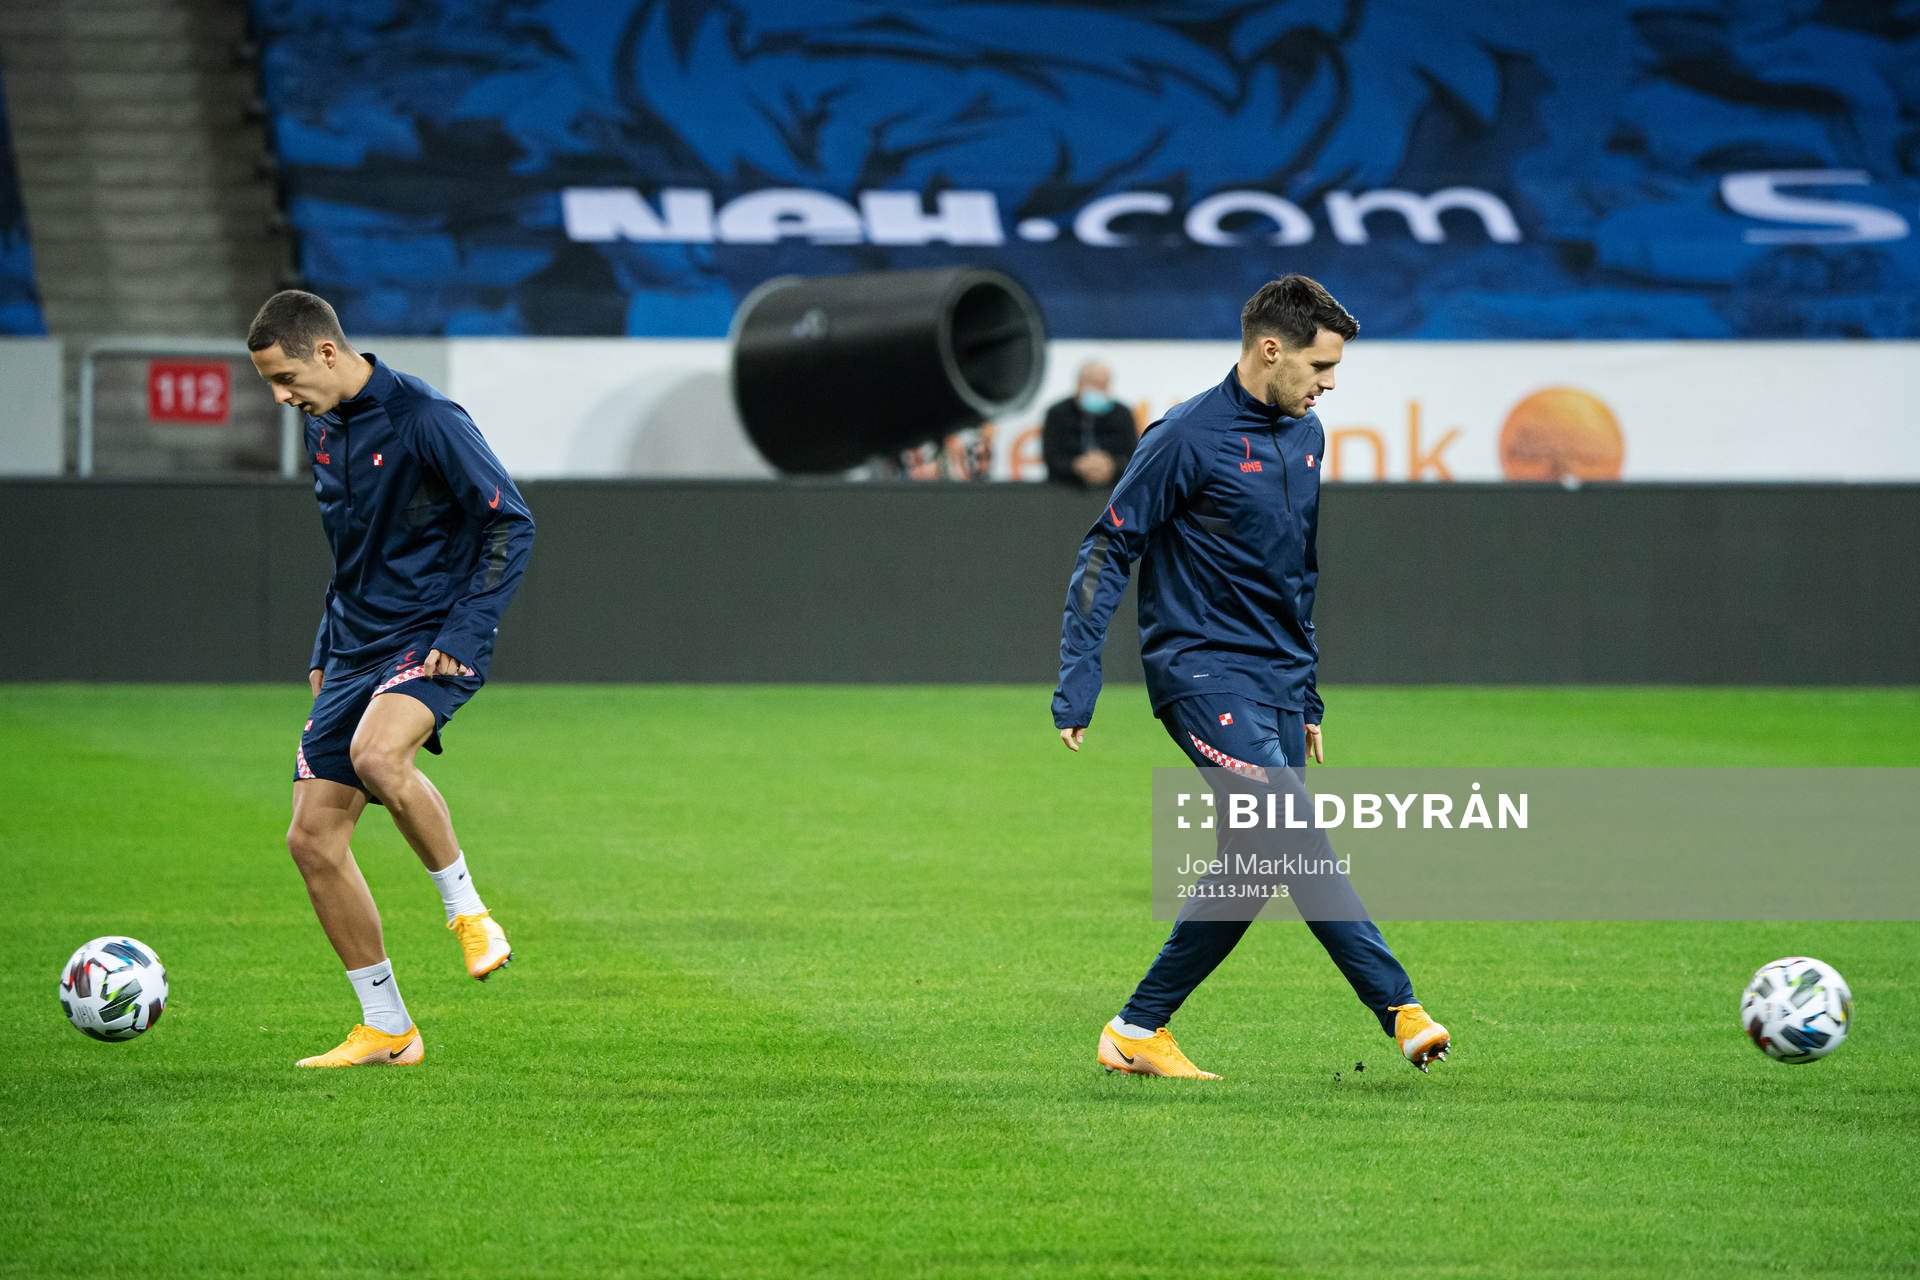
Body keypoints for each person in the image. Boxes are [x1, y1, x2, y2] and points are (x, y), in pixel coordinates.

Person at [1050, 275, 1449, 1079]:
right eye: (1320, 365)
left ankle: (1136, 1029)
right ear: (1271, 350)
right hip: (1201, 674)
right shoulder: (1185, 437)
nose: (1330, 383)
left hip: (1276, 682)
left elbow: (1296, 573)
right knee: (1293, 835)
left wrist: (1307, 691)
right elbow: (1109, 547)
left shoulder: (1308, 435)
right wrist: (1078, 672)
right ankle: (1399, 1007)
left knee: (1258, 862)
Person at [247, 290, 536, 1069]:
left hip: (432, 636)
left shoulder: (425, 417)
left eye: (284, 378)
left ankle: (469, 914)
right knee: (312, 840)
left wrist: (466, 630)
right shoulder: (322, 426)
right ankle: (388, 1028)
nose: (280, 397)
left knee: (378, 756)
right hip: (353, 645)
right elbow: (353, 550)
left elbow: (509, 520)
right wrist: (324, 643)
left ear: (326, 352)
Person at [1042, 361, 1138, 487]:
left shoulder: (1122, 414)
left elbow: (1133, 458)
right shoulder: (1057, 413)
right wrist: (1077, 466)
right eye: (1094, 384)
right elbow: (1051, 459)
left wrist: (1111, 466)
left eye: (1103, 385)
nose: (1098, 391)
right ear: (1079, 383)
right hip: (1066, 488)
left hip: (1112, 490)